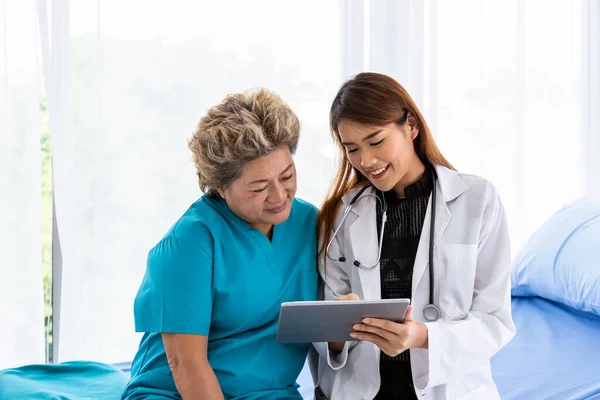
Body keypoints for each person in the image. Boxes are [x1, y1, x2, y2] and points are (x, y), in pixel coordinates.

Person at [311, 72, 516, 400]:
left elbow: (494, 321)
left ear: (411, 126)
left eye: (376, 141)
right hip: (361, 391)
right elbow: (327, 343)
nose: (366, 161)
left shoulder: (477, 199)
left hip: (448, 390)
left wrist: (421, 337)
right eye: (352, 149)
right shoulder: (341, 216)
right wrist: (337, 328)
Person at [122, 88, 318, 400]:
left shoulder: (309, 223)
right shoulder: (190, 242)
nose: (279, 196)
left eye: (287, 175)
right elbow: (185, 362)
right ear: (220, 187)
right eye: (259, 187)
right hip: (176, 392)